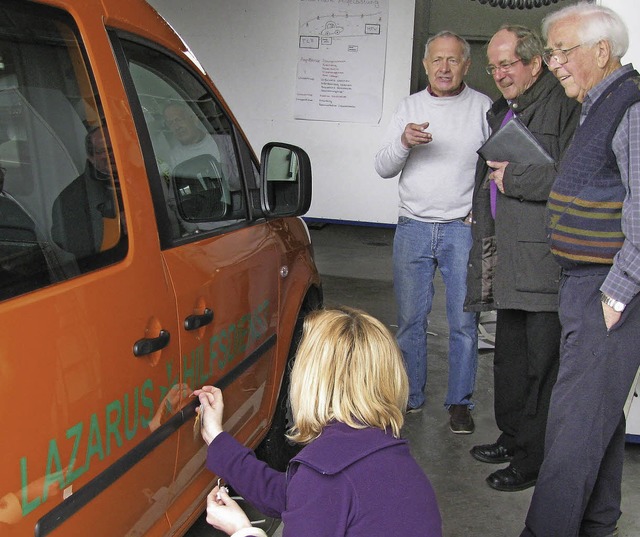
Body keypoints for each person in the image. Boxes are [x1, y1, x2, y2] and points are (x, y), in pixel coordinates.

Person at [520, 4, 640, 536]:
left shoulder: (631, 107)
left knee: (571, 430)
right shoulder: (600, 104)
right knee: (598, 420)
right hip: (584, 285)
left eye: (562, 51)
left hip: (604, 289)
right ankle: (597, 526)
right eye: (551, 52)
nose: (555, 63)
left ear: (601, 50)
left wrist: (616, 296)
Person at [193, 307, 443, 537]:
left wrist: (241, 529)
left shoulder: (325, 476)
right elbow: (290, 493)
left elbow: (312, 492)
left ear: (311, 380)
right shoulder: (387, 456)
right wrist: (216, 437)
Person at [464, 25, 579, 492]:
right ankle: (512, 438)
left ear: (535, 63)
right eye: (493, 66)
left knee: (541, 366)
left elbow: (572, 179)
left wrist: (516, 181)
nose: (500, 75)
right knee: (509, 358)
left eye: (507, 64)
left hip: (544, 261)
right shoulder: (506, 109)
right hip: (508, 254)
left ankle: (532, 459)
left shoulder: (566, 105)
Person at [374, 30, 492, 432]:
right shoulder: (409, 107)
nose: (444, 67)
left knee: (463, 323)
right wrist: (404, 142)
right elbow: (383, 166)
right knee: (410, 319)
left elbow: (497, 170)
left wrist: (482, 213)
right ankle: (411, 396)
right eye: (437, 60)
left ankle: (460, 402)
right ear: (425, 65)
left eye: (453, 60)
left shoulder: (482, 107)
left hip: (462, 230)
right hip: (413, 228)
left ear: (466, 65)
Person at [51, 125, 125, 259]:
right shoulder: (70, 198)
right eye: (105, 150)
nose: (113, 154)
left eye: (117, 146)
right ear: (91, 157)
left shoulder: (142, 176)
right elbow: (69, 241)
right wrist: (115, 226)